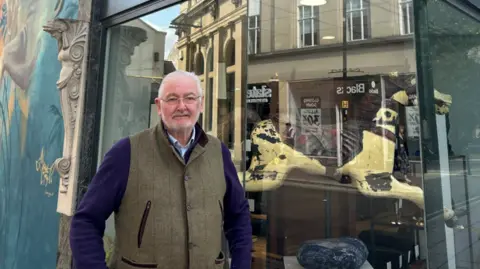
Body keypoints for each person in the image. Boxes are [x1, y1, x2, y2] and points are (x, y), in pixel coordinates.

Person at [70, 70, 252, 269]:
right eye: (172, 99)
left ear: (200, 104)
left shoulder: (219, 153)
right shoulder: (125, 153)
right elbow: (86, 222)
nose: (182, 106)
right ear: (159, 105)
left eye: (189, 98)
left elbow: (239, 217)